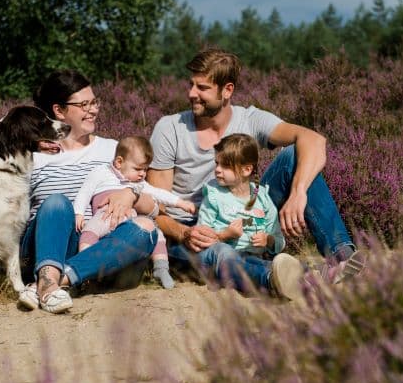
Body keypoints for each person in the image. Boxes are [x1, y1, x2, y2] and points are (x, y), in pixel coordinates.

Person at [146, 48, 364, 296]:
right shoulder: (170, 129)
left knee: (293, 155)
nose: (191, 93)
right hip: (192, 232)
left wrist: (298, 192)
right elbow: (155, 209)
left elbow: (314, 140)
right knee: (221, 253)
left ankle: (342, 258)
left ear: (227, 90)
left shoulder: (249, 119)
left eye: (202, 88)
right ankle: (278, 277)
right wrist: (184, 233)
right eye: (191, 85)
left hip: (243, 209)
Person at [15, 70, 160, 313]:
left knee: (147, 229)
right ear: (59, 111)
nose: (93, 109)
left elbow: (155, 208)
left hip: (94, 247)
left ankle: (52, 283)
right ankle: (48, 276)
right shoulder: (34, 155)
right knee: (58, 204)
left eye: (94, 102)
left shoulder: (113, 150)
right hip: (42, 247)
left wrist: (131, 195)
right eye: (84, 104)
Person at [73, 135, 196, 289]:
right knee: (89, 233)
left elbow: (158, 193)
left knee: (157, 235)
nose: (142, 174)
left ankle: (161, 268)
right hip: (105, 214)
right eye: (138, 169)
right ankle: (85, 268)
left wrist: (181, 203)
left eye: (145, 169)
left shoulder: (138, 183)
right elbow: (85, 192)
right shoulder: (100, 172)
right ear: (119, 162)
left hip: (131, 219)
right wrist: (79, 213)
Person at [195, 133, 304, 300]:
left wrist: (268, 240)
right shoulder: (214, 194)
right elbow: (201, 237)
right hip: (215, 259)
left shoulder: (260, 197)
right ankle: (269, 281)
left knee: (265, 264)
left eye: (225, 165)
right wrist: (225, 234)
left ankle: (311, 276)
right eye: (217, 163)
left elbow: (279, 239)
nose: (217, 169)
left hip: (249, 258)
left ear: (247, 169)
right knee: (226, 253)